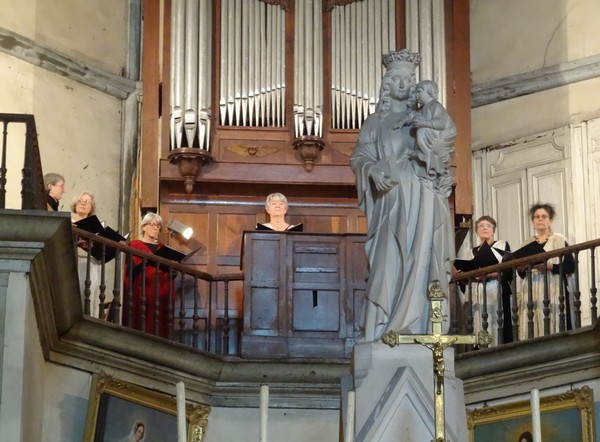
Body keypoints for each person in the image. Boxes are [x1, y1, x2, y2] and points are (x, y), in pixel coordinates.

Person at [350, 49, 455, 340]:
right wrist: (372, 170)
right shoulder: (374, 123)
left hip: (422, 196)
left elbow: (443, 149)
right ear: (386, 84)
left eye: (409, 79)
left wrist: (439, 162)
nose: (404, 84)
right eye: (397, 79)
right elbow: (359, 156)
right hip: (392, 199)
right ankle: (383, 327)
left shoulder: (424, 116)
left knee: (423, 256)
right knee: (388, 262)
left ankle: (419, 327)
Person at [517, 203, 575, 340]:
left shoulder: (559, 240)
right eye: (536, 217)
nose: (540, 219)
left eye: (544, 216)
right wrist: (522, 269)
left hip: (552, 286)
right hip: (531, 288)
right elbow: (521, 274)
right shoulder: (526, 244)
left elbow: (570, 267)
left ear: (550, 220)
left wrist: (550, 267)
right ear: (532, 221)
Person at [457, 216, 513, 345]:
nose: (485, 228)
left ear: (493, 230)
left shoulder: (502, 245)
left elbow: (509, 269)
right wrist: (463, 277)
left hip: (496, 290)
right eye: (481, 226)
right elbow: (466, 276)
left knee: (498, 325)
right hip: (477, 294)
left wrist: (490, 275)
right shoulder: (471, 251)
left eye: (488, 225)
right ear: (477, 231)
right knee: (477, 324)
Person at [123, 212, 173, 338]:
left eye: (158, 226)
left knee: (158, 325)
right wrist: (143, 264)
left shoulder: (163, 249)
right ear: (144, 227)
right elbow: (129, 271)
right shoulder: (135, 245)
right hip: (141, 289)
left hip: (160, 291)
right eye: (151, 224)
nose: (155, 228)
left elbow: (168, 273)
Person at [411, 79, 457, 198]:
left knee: (422, 132)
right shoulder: (423, 109)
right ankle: (427, 159)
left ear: (429, 93)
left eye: (419, 92)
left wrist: (424, 123)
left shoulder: (435, 105)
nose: (416, 95)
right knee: (420, 133)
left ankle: (429, 160)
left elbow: (441, 123)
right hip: (431, 136)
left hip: (442, 135)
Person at [70, 191, 102, 318]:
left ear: (91, 208)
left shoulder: (96, 226)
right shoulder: (68, 221)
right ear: (75, 205)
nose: (83, 203)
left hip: (90, 262)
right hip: (73, 261)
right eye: (80, 200)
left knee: (88, 294)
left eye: (86, 202)